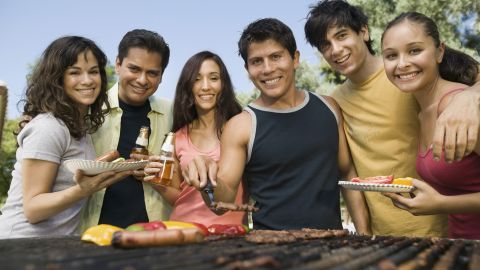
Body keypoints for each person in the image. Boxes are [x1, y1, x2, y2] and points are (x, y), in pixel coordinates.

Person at [304, 0, 480, 237]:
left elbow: (465, 78)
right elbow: (348, 170)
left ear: (364, 31)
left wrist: (470, 96)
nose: (335, 49)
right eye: (325, 45)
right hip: (387, 237)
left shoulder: (410, 78)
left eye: (342, 35)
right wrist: (364, 232)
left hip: (438, 230)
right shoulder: (337, 102)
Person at [183, 18, 370, 232]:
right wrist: (206, 179)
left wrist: (364, 234)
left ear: (295, 58)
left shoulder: (330, 108)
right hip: (271, 250)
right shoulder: (240, 126)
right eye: (257, 61)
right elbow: (221, 202)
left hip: (334, 247)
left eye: (276, 57)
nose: (268, 69)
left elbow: (347, 174)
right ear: (247, 68)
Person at [0, 36, 131, 238]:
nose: (87, 80)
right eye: (74, 72)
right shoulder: (49, 127)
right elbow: (33, 209)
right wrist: (84, 189)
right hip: (20, 244)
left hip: (52, 246)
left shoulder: (78, 127)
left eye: (93, 72)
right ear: (57, 78)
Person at [381, 12, 480, 240]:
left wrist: (441, 204)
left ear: (439, 52)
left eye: (415, 50)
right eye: (391, 55)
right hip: (464, 248)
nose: (402, 63)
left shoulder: (461, 108)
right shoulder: (423, 113)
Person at [80, 29, 173, 230]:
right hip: (93, 235)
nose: (142, 80)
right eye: (134, 69)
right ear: (118, 64)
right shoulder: (87, 109)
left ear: (161, 76)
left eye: (152, 73)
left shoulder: (174, 113)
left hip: (155, 237)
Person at [143, 51, 245, 226]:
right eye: (197, 79)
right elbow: (178, 197)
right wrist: (155, 182)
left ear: (223, 84)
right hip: (184, 228)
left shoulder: (239, 128)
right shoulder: (177, 138)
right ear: (188, 86)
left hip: (230, 231)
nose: (205, 86)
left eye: (213, 78)